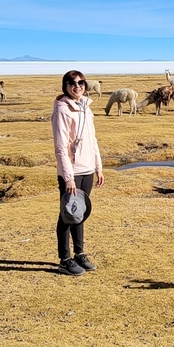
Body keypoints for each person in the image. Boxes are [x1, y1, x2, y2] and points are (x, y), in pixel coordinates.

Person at [52, 70, 104, 275]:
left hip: (88, 168)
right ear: (65, 85)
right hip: (71, 172)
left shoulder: (86, 108)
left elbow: (93, 141)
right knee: (67, 214)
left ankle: (79, 254)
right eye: (72, 83)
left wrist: (99, 167)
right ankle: (64, 258)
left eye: (81, 83)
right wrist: (68, 177)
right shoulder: (62, 110)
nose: (77, 86)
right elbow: (60, 147)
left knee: (79, 213)